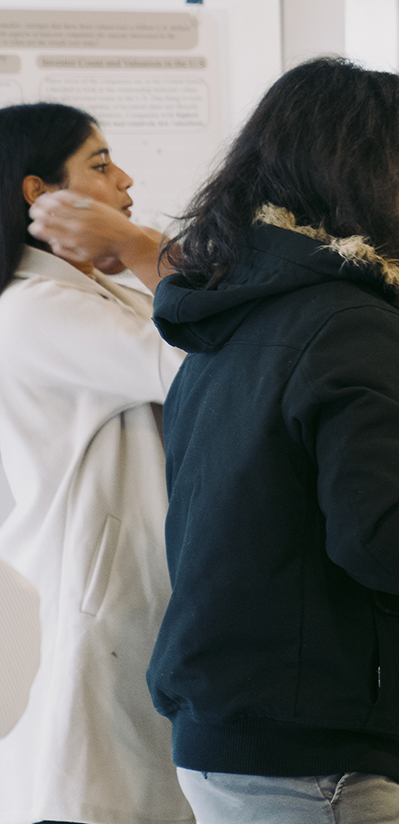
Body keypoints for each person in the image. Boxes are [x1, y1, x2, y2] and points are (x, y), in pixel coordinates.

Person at [146, 58, 399, 824]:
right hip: (313, 752)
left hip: (231, 722)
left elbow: (285, 522)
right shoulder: (353, 322)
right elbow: (385, 529)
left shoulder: (234, 309)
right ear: (374, 179)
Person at [0, 103, 191, 824]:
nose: (126, 180)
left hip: (129, 614)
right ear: (39, 194)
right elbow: (195, 363)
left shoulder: (86, 294)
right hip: (93, 619)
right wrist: (143, 245)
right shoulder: (37, 307)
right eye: (102, 165)